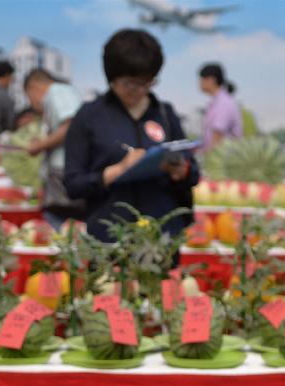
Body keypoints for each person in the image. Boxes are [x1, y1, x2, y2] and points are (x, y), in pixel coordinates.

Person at [63, 29, 199, 242]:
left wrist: (182, 170)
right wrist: (119, 170)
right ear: (111, 77)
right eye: (130, 82)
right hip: (109, 241)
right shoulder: (90, 116)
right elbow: (73, 184)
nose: (139, 90)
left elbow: (193, 172)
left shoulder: (165, 113)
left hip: (162, 238)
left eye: (147, 82)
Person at [23, 68, 84, 227]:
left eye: (29, 97)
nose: (32, 104)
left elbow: (70, 126)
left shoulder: (57, 91)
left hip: (63, 174)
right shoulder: (62, 93)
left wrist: (39, 145)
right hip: (63, 175)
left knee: (59, 226)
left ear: (33, 87)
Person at [198, 63, 242, 151]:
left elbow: (217, 136)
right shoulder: (216, 102)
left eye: (202, 80)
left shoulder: (223, 103)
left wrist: (206, 159)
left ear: (211, 80)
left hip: (223, 161)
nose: (199, 83)